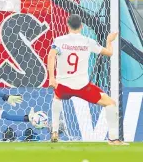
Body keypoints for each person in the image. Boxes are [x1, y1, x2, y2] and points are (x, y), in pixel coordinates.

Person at [47, 14, 128, 145]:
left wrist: (52, 78)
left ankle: (55, 131)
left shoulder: (59, 40)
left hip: (63, 86)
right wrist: (109, 41)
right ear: (82, 26)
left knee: (57, 97)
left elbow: (51, 56)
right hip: (83, 86)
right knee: (110, 103)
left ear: (67, 25)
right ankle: (113, 140)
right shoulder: (88, 41)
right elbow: (109, 53)